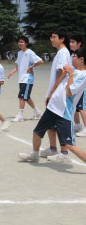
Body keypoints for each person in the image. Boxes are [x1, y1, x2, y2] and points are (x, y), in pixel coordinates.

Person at [18, 47, 86, 163]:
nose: (71, 58)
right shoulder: (73, 70)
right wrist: (62, 77)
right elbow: (60, 81)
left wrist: (69, 75)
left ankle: (66, 155)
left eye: (74, 56)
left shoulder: (83, 76)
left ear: (81, 59)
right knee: (37, 132)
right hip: (52, 107)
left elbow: (70, 93)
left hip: (64, 112)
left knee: (69, 145)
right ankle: (34, 154)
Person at [37, 30, 72, 159]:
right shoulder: (60, 52)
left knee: (58, 121)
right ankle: (53, 149)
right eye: (51, 37)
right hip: (55, 92)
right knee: (51, 123)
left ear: (62, 39)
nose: (51, 39)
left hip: (58, 93)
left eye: (54, 37)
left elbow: (62, 73)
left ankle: (64, 153)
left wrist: (52, 92)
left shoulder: (63, 52)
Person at [7, 36, 43, 122]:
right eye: (19, 42)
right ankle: (37, 112)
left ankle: (20, 115)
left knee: (21, 97)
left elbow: (40, 61)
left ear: (26, 43)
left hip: (28, 78)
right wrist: (11, 72)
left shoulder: (30, 52)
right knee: (26, 97)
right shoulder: (19, 53)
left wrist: (31, 66)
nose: (20, 43)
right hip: (21, 78)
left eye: (22, 42)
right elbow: (17, 67)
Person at [69, 35, 86, 135]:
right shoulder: (73, 54)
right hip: (76, 81)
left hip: (82, 82)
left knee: (82, 106)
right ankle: (78, 125)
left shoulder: (82, 53)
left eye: (73, 42)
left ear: (79, 43)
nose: (71, 44)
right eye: (70, 42)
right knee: (74, 104)